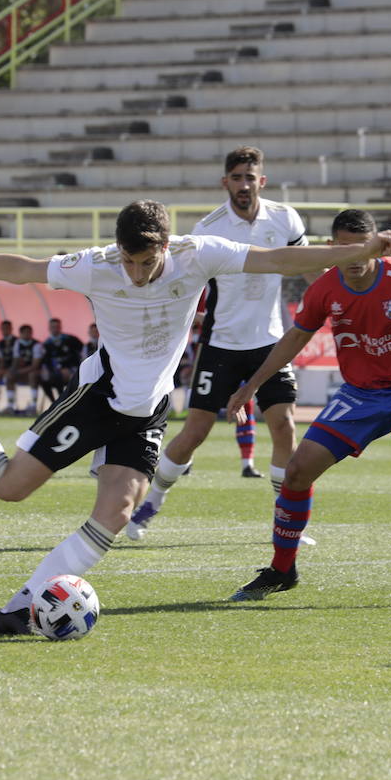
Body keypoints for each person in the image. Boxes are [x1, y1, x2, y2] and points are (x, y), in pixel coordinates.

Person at [0, 199, 391, 635]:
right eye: (128, 261)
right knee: (9, 488)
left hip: (147, 410)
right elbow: (24, 269)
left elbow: (278, 260)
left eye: (146, 262)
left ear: (166, 247)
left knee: (117, 512)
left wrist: (356, 250)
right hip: (99, 395)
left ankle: (21, 607)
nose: (136, 272)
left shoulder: (200, 254)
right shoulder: (98, 265)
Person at [220, 208, 391, 608]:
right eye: (341, 249)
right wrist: (253, 385)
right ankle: (282, 571)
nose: (350, 259)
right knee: (297, 472)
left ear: (375, 248)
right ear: (331, 248)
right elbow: (296, 337)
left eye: (359, 249)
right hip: (360, 394)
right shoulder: (326, 287)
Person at [128, 146, 312, 539]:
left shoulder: (285, 218)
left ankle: (285, 521)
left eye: (251, 177)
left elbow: (306, 266)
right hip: (222, 345)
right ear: (224, 182)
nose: (244, 185)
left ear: (262, 181)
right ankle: (148, 506)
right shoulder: (207, 228)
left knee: (284, 426)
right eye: (237, 177)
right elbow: (187, 284)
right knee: (195, 432)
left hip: (270, 342)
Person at [38, 317, 84, 407]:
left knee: (60, 375)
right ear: (49, 328)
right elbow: (45, 361)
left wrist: (74, 367)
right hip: (54, 371)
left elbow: (82, 353)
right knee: (43, 378)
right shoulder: (46, 343)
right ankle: (54, 403)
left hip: (71, 368)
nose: (55, 329)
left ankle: (63, 402)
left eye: (57, 326)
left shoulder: (71, 339)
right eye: (53, 327)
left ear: (60, 327)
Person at [8, 323, 43, 415]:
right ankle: (11, 405)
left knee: (33, 375)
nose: (28, 334)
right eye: (25, 333)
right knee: (9, 377)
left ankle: (34, 406)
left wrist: (19, 371)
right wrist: (12, 371)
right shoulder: (18, 344)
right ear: (20, 334)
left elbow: (35, 365)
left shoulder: (37, 345)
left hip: (37, 373)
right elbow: (16, 361)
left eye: (29, 332)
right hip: (23, 372)